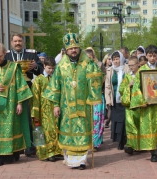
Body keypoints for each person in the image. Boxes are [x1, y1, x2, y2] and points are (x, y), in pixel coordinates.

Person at [42, 31, 103, 170]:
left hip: (84, 106)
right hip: (66, 107)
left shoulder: (87, 63)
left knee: (82, 132)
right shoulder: (60, 67)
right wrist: (56, 105)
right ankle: (70, 160)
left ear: (79, 47)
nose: (73, 50)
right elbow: (55, 87)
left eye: (75, 47)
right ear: (66, 50)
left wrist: (93, 97)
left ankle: (81, 161)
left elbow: (97, 78)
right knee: (68, 134)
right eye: (70, 48)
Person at [0, 43, 33, 167]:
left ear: (5, 54)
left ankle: (11, 153)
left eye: (1, 55)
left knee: (12, 128)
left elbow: (20, 85)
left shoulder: (13, 68)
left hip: (11, 104)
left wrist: (20, 103)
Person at [5, 33, 43, 156]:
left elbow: (42, 68)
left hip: (28, 89)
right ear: (11, 42)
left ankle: (30, 146)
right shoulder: (6, 56)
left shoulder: (31, 54)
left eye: (20, 41)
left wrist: (36, 66)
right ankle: (16, 147)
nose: (17, 43)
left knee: (28, 117)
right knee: (13, 118)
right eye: (15, 41)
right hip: (11, 92)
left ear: (23, 42)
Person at [31, 56, 62, 162]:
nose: (51, 70)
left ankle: (57, 151)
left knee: (56, 130)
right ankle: (46, 153)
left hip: (55, 108)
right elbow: (35, 97)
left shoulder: (56, 78)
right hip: (43, 111)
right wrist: (35, 113)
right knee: (46, 132)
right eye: (49, 68)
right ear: (44, 66)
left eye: (53, 68)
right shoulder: (39, 80)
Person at [85, 47, 106, 151]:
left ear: (93, 57)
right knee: (88, 121)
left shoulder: (99, 66)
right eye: (86, 58)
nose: (88, 59)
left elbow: (104, 80)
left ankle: (95, 143)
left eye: (90, 57)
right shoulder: (81, 69)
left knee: (97, 120)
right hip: (86, 98)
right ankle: (87, 142)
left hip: (97, 97)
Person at [105, 50, 126, 150]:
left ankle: (123, 141)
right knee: (116, 120)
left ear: (121, 59)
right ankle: (118, 140)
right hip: (114, 100)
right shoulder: (110, 70)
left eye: (117, 59)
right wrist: (108, 100)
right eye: (114, 59)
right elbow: (107, 86)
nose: (116, 61)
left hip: (124, 100)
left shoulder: (126, 69)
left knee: (123, 120)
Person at [119, 56, 140, 155]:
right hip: (130, 105)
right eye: (129, 65)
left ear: (138, 64)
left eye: (133, 65)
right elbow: (121, 89)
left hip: (141, 105)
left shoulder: (141, 75)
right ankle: (131, 146)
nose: (131, 67)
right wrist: (128, 86)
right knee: (130, 125)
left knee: (140, 125)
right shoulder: (127, 76)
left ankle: (141, 145)